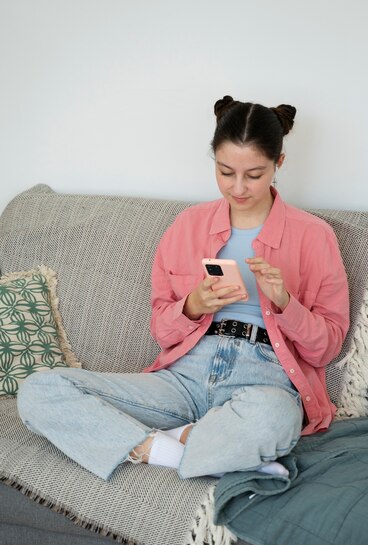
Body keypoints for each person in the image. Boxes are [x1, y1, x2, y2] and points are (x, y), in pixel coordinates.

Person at [17, 96, 350, 481]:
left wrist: (284, 302)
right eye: (226, 172)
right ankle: (172, 450)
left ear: (279, 163)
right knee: (41, 389)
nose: (238, 187)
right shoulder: (187, 225)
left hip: (263, 380)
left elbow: (327, 346)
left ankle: (165, 441)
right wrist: (192, 305)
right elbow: (161, 329)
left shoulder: (314, 235)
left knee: (276, 418)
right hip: (183, 378)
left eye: (254, 175)